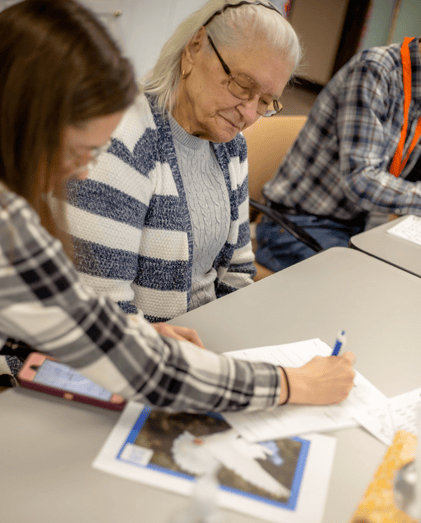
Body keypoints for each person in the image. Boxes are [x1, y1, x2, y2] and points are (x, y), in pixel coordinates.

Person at [0, 0, 355, 411]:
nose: (82, 176)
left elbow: (96, 328)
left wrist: (133, 338)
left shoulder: (15, 212)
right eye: (78, 153)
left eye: (265, 101)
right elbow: (128, 361)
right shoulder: (12, 228)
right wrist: (290, 385)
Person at [63, 0, 298, 343]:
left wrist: (244, 340)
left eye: (265, 101)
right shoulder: (122, 139)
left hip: (201, 341)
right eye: (241, 86)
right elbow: (103, 314)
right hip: (136, 349)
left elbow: (238, 270)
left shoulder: (230, 145)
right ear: (195, 48)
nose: (249, 113)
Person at [255, 36, 421, 272]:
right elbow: (360, 179)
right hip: (296, 225)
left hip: (355, 226)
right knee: (363, 292)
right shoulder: (376, 69)